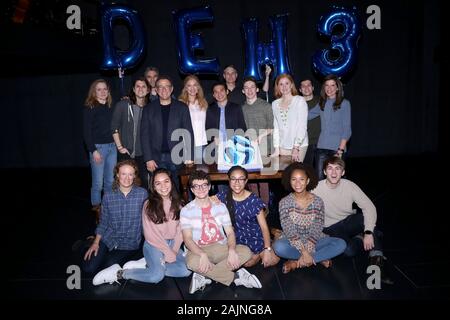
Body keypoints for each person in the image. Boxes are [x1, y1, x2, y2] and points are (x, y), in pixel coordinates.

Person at [91, 168, 191, 285]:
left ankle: (148, 266)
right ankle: (120, 273)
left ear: (171, 182)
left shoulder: (180, 203)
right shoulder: (149, 205)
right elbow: (151, 236)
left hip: (172, 244)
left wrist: (173, 250)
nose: (163, 186)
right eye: (158, 183)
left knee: (185, 270)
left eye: (166, 181)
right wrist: (168, 254)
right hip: (154, 245)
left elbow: (180, 232)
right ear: (153, 187)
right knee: (156, 276)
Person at [312, 156, 393, 284]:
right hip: (329, 228)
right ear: (324, 172)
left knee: (363, 219)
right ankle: (363, 237)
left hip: (347, 222)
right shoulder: (316, 189)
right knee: (349, 251)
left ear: (343, 172)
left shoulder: (350, 186)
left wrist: (368, 232)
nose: (333, 173)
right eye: (330, 168)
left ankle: (377, 267)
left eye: (337, 169)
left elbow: (369, 207)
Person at [180, 170, 262, 294]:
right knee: (191, 262)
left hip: (220, 246)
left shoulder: (220, 206)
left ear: (209, 186)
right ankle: (237, 277)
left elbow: (229, 232)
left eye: (204, 185)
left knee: (246, 252)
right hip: (199, 248)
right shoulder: (186, 210)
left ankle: (204, 275)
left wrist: (232, 250)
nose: (200, 189)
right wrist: (202, 254)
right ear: (191, 189)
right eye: (196, 186)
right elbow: (187, 239)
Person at [273, 162, 346, 273]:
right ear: (289, 181)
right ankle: (318, 258)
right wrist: (304, 251)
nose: (297, 183)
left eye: (301, 179)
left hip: (314, 240)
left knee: (341, 244)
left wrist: (308, 249)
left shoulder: (318, 201)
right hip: (293, 241)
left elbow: (317, 228)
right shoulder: (284, 202)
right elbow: (289, 230)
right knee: (278, 247)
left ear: (307, 181)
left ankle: (297, 263)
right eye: (294, 179)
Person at [83, 160, 147, 277]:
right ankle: (90, 242)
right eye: (123, 174)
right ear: (117, 174)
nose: (127, 178)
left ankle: (91, 241)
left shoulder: (142, 194)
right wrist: (96, 243)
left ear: (134, 176)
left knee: (107, 265)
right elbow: (104, 222)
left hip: (129, 243)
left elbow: (147, 222)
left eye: (130, 174)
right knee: (89, 268)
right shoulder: (108, 195)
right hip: (109, 238)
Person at [216, 166, 280, 268]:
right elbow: (205, 201)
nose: (237, 183)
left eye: (241, 179)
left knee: (272, 261)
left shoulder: (254, 200)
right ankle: (257, 255)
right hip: (236, 237)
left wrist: (267, 249)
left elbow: (263, 227)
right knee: (247, 263)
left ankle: (275, 237)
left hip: (254, 235)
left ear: (246, 181)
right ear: (229, 180)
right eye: (233, 178)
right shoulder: (222, 197)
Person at [140, 75, 194, 191]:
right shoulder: (148, 109)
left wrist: (189, 156)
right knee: (159, 190)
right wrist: (148, 158)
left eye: (167, 87)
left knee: (178, 188)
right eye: (160, 87)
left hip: (177, 157)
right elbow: (144, 135)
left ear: (172, 89)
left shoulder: (182, 107)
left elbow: (188, 132)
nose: (164, 90)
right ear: (156, 90)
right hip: (156, 158)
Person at [83, 79, 117, 223]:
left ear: (108, 91)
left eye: (105, 89)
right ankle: (97, 213)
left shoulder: (111, 107)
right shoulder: (90, 107)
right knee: (98, 183)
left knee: (110, 181)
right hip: (98, 149)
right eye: (99, 89)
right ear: (94, 92)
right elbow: (86, 132)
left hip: (112, 147)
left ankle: (107, 209)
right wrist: (93, 150)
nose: (103, 92)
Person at [308, 74, 351, 180]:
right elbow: (307, 116)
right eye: (327, 85)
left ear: (337, 88)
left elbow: (347, 129)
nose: (329, 88)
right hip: (321, 148)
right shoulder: (322, 103)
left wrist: (340, 150)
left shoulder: (345, 104)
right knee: (319, 179)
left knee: (336, 180)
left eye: (332, 85)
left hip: (337, 149)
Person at [111, 77, 150, 190]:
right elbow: (114, 127)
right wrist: (120, 147)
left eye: (143, 86)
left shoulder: (150, 107)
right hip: (127, 152)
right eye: (137, 86)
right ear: (133, 89)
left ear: (148, 90)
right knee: (124, 183)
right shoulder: (123, 105)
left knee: (143, 183)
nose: (140, 89)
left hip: (144, 153)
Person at [241, 76, 274, 206]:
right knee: (252, 181)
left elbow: (272, 127)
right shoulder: (242, 108)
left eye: (252, 87)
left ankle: (265, 208)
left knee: (263, 180)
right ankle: (255, 207)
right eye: (246, 88)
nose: (249, 90)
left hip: (264, 148)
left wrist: (260, 136)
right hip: (249, 148)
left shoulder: (266, 106)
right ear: (243, 91)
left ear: (257, 89)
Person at [205, 82, 247, 164]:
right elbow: (207, 129)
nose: (219, 94)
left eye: (221, 91)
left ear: (227, 92)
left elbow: (242, 128)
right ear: (213, 95)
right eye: (216, 92)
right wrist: (213, 138)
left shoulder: (236, 107)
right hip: (215, 148)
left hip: (234, 147)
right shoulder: (210, 109)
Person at [271, 74, 308, 162]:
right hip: (282, 147)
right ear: (278, 87)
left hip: (299, 146)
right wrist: (276, 149)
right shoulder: (274, 104)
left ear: (291, 85)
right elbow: (276, 127)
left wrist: (296, 147)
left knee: (296, 173)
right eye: (281, 84)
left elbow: (302, 126)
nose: (284, 87)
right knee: (284, 174)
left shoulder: (300, 100)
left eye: (287, 83)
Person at [178, 75, 208, 164]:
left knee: (201, 172)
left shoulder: (203, 102)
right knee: (188, 173)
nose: (192, 88)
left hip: (201, 143)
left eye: (195, 85)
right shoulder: (180, 103)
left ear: (198, 87)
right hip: (186, 144)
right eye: (189, 85)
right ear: (185, 88)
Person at [299, 79, 320, 168]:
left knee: (321, 172)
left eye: (308, 85)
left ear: (313, 88)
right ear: (300, 90)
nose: (306, 88)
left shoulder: (321, 100)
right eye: (303, 86)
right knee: (306, 171)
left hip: (321, 142)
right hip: (305, 144)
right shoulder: (297, 103)